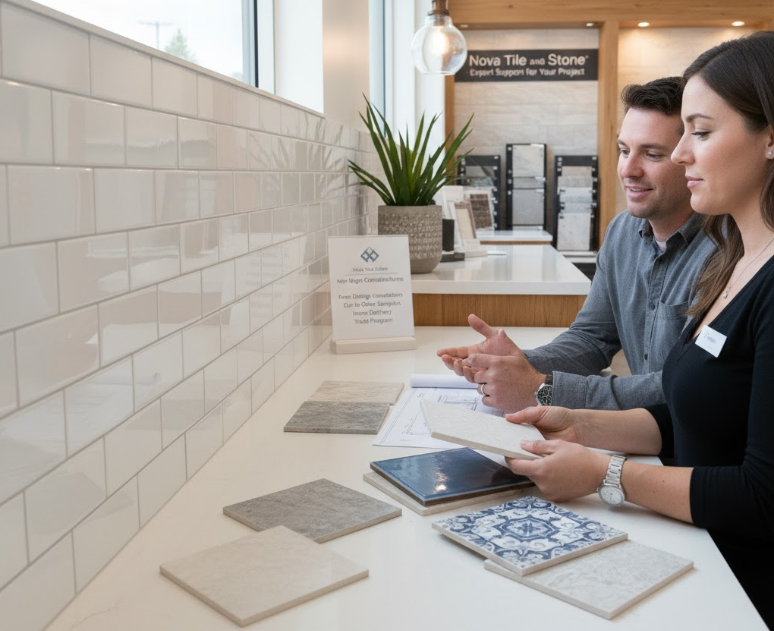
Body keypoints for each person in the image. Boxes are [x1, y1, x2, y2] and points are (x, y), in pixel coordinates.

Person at [504, 32, 774, 626]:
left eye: (699, 133)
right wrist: (575, 421)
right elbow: (696, 412)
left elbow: (761, 497)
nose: (680, 155)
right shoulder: (736, 263)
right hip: (697, 547)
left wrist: (607, 475)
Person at [437, 77, 716, 412]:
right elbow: (592, 339)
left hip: (685, 448)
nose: (627, 169)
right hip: (639, 436)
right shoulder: (622, 233)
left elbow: (688, 386)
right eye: (624, 150)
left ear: (691, 157)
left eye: (652, 154)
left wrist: (543, 387)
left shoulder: (728, 252)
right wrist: (519, 362)